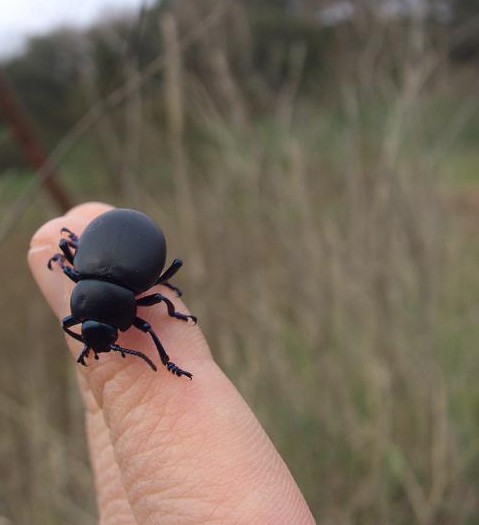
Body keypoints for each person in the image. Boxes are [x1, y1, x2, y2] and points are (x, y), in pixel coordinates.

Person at [28, 202, 315, 524]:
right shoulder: (86, 284)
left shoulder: (83, 281)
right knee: (159, 300)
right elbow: (77, 321)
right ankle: (166, 355)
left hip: (114, 241)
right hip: (119, 243)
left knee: (159, 304)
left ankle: (167, 361)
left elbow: (128, 316)